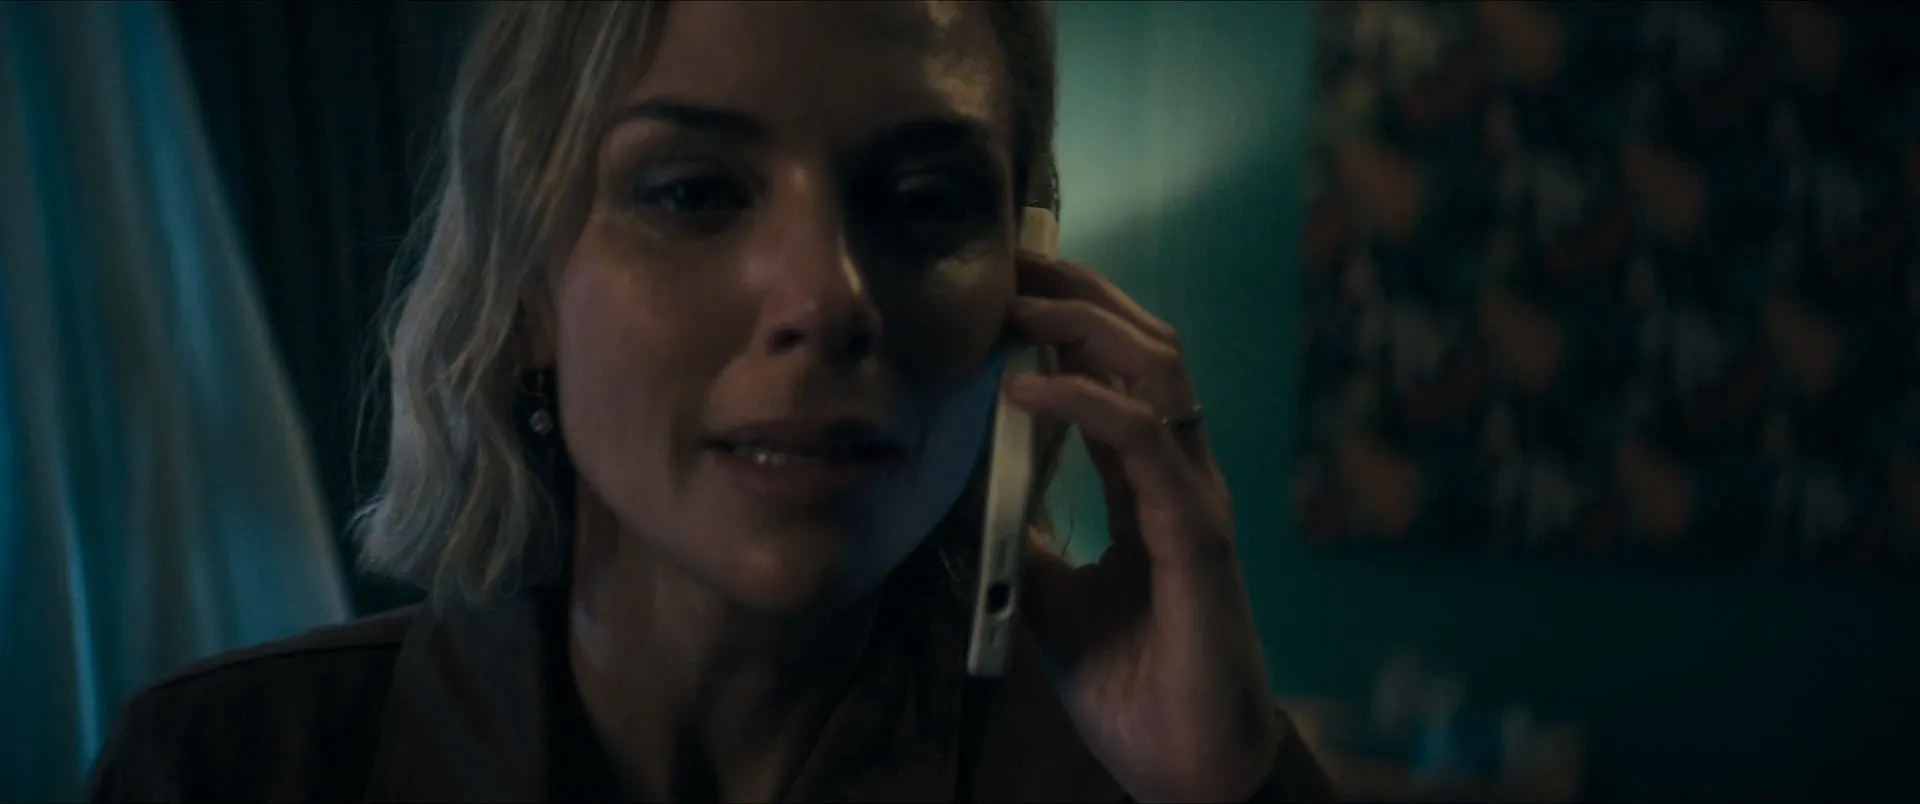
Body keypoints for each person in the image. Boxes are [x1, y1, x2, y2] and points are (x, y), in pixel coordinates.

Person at [84, 2, 1335, 801]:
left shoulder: (1120, 786)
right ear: (527, 290)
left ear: (1029, 281)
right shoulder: (227, 768)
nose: (826, 298)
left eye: (925, 200)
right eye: (693, 191)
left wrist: (1225, 795)